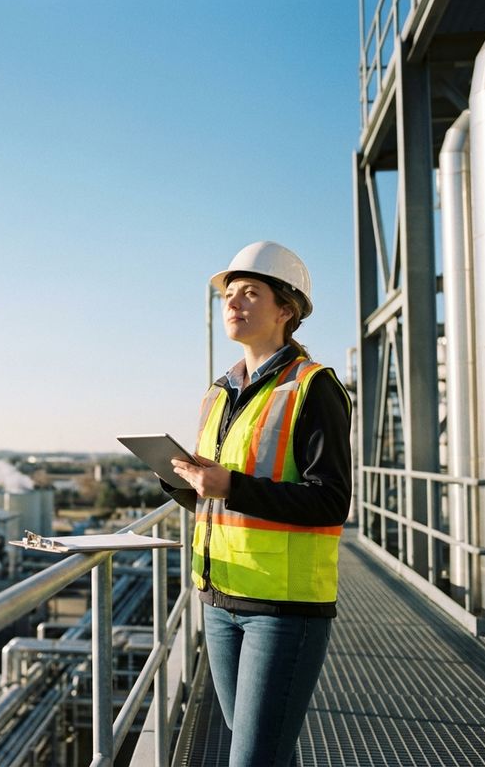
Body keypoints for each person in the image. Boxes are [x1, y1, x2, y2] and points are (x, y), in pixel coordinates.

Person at [167, 241, 352, 767]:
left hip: (283, 609)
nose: (233, 302)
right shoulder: (218, 393)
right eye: (229, 294)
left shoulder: (314, 388)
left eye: (251, 292)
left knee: (252, 757)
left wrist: (230, 486)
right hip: (220, 600)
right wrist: (184, 482)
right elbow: (221, 498)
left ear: (285, 311)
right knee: (264, 750)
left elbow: (331, 502)